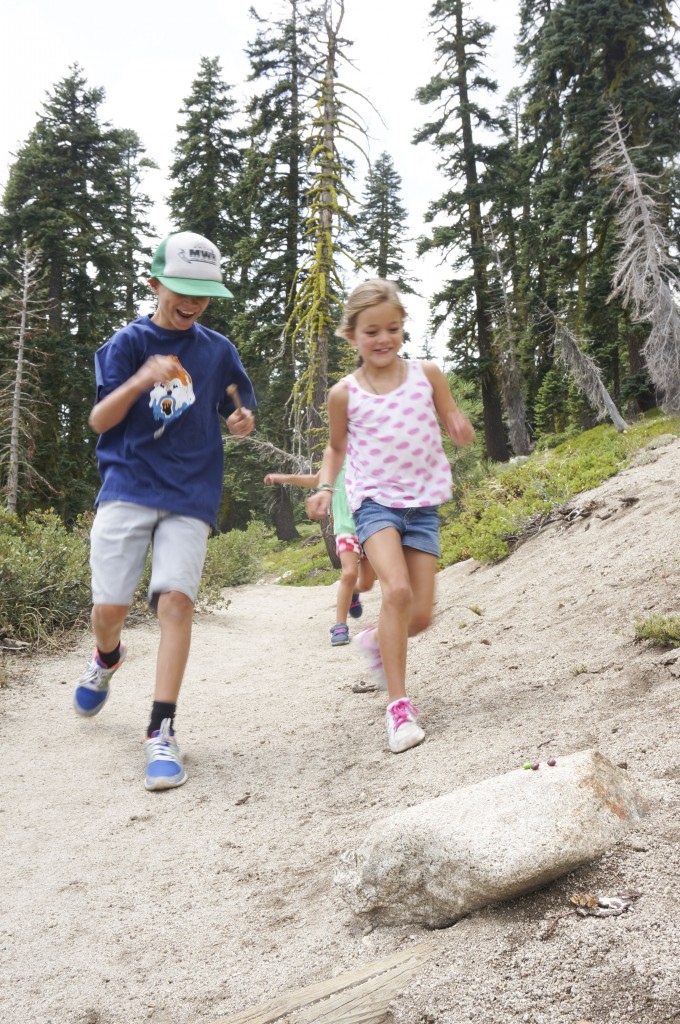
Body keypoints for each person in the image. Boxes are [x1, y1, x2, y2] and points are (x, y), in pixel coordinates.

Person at [73, 230, 256, 790]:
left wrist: (242, 420)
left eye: (203, 292)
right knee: (110, 608)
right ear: (155, 283)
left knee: (175, 603)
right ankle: (107, 657)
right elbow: (99, 421)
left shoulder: (219, 349)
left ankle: (162, 730)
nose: (192, 301)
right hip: (128, 486)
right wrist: (141, 379)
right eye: (181, 288)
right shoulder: (125, 344)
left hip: (190, 493)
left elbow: (239, 402)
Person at [306, 279, 475, 754]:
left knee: (419, 615)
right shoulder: (345, 393)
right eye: (371, 331)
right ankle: (399, 707)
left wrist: (459, 426)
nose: (383, 339)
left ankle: (377, 643)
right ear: (352, 335)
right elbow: (336, 447)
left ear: (402, 329)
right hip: (374, 502)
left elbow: (451, 416)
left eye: (393, 329)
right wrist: (323, 486)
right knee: (395, 590)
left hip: (423, 504)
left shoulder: (427, 373)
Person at [264, 464, 376, 646]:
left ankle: (352, 593)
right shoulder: (339, 462)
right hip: (346, 528)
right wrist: (282, 478)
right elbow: (316, 480)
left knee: (366, 584)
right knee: (349, 573)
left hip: (372, 527)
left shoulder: (369, 456)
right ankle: (340, 625)